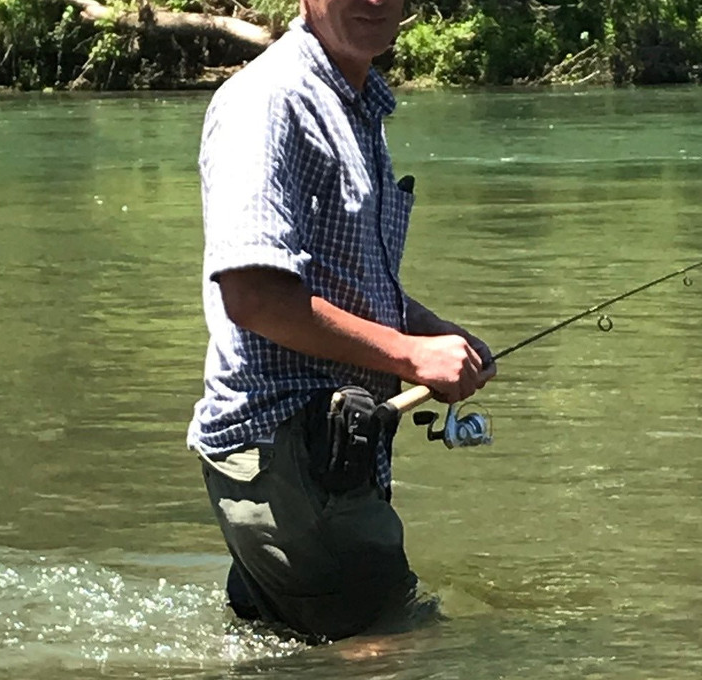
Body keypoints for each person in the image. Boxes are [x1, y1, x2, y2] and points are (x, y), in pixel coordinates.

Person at [187, 0, 495, 643]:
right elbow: (254, 294)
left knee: (302, 678)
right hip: (289, 457)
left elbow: (341, 278)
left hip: (325, 462)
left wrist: (430, 333)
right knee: (395, 661)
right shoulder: (269, 102)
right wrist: (411, 359)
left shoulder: (356, 105)